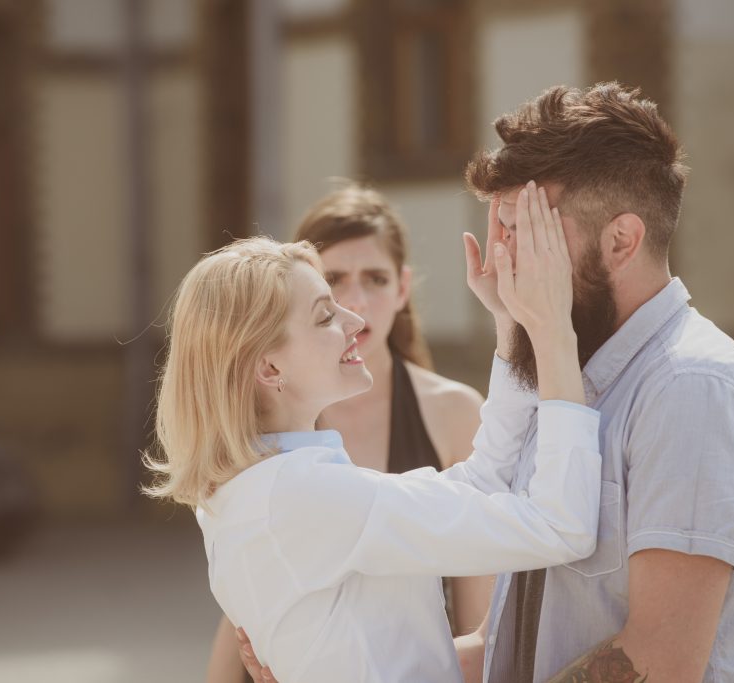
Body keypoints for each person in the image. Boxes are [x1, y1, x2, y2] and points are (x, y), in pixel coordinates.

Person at [146, 186, 605, 683]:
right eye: (325, 313)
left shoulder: (263, 488)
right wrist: (554, 328)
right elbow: (561, 526)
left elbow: (479, 487)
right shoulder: (303, 494)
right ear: (269, 367)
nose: (355, 318)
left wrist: (512, 322)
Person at [449, 82, 734, 682]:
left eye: (531, 231)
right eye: (505, 229)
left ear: (621, 241)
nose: (507, 260)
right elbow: (500, 651)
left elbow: (657, 664)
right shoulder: (566, 384)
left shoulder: (694, 390)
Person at [205, 185, 492, 682]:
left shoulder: (455, 412)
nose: (356, 301)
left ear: (403, 289)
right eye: (333, 281)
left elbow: (484, 623)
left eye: (376, 279)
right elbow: (246, 613)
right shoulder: (277, 414)